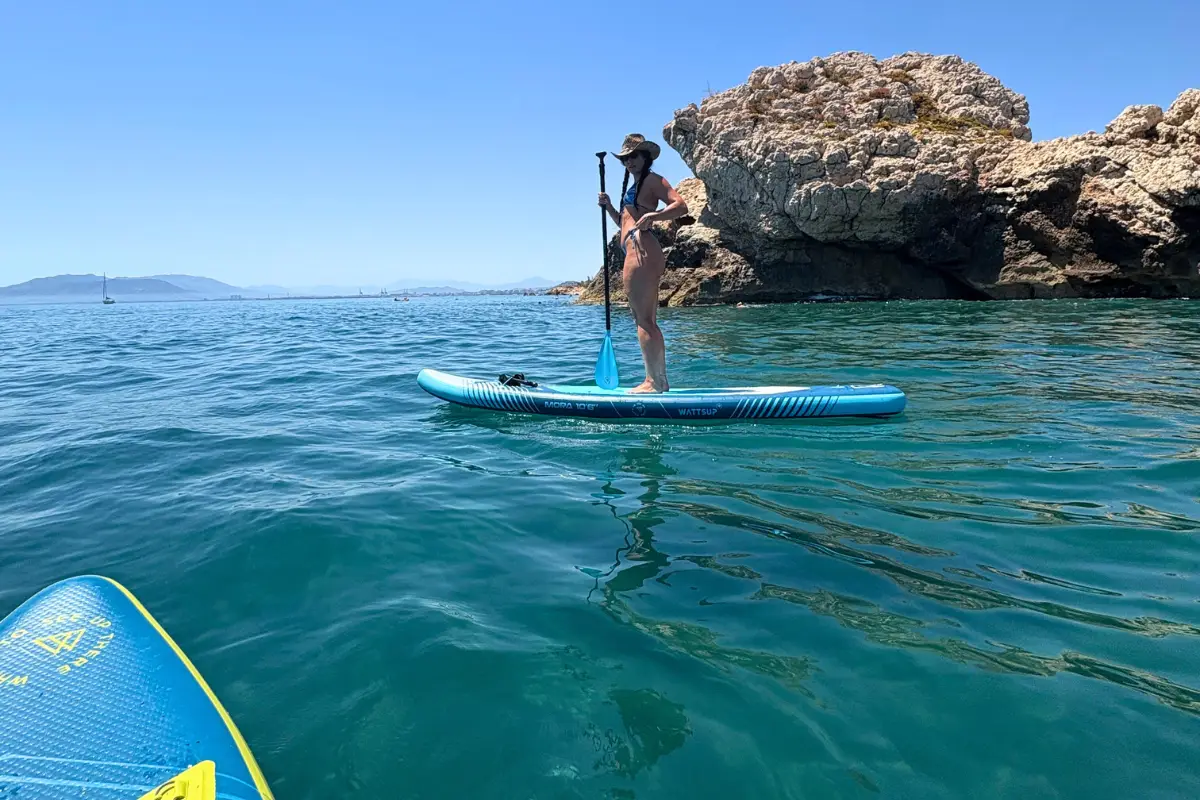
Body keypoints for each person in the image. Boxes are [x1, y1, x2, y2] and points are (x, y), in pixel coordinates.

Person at [597, 134, 689, 393]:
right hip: (636, 249)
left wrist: (654, 215)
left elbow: (680, 206)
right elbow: (624, 224)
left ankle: (653, 382)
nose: (629, 162)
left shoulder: (652, 180)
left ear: (646, 157)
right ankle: (660, 380)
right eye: (625, 158)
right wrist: (609, 208)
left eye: (634, 156)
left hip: (641, 251)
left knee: (643, 320)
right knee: (646, 319)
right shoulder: (634, 186)